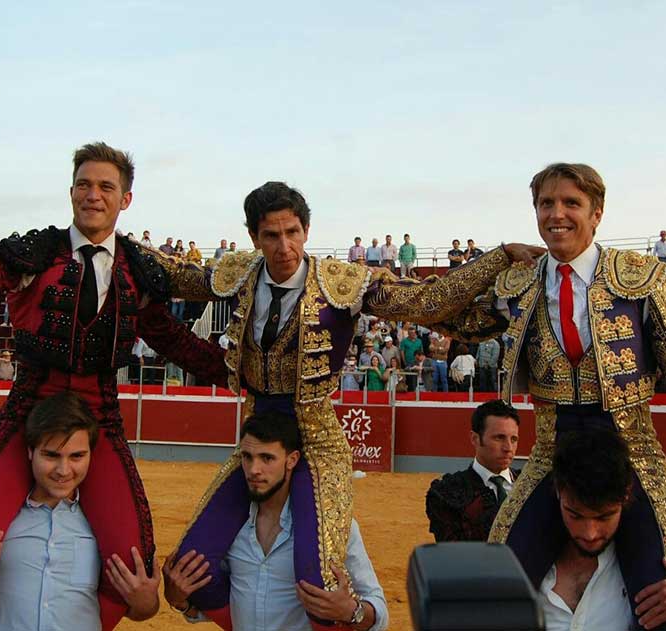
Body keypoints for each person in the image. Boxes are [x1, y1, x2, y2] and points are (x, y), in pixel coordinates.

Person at [149, 181, 531, 627]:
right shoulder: (239, 274)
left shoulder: (343, 284)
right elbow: (175, 274)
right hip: (259, 437)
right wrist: (113, 241)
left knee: (319, 580)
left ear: (306, 230)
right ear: (254, 237)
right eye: (271, 236)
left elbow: (428, 301)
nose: (284, 246)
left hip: (317, 441)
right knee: (191, 567)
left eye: (292, 232)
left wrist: (499, 256)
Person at [0, 140, 226, 630]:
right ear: (71, 191)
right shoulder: (37, 254)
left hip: (101, 421)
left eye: (105, 186)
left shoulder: (138, 272)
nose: (93, 195)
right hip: (27, 414)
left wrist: (254, 370)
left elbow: (181, 346)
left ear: (125, 199)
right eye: (84, 184)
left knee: (131, 560)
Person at [437, 163, 666, 630]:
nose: (557, 214)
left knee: (663, 604)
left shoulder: (642, 277)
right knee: (497, 591)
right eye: (546, 204)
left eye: (571, 203)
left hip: (633, 456)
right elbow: (442, 312)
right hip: (552, 457)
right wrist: (497, 258)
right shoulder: (520, 284)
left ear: (597, 213)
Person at [0, 391, 161, 629]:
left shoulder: (105, 526)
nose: (63, 470)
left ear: (92, 454)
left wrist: (146, 604)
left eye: (76, 456)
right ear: (31, 452)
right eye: (51, 455)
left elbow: (141, 610)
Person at [163, 411, 388, 630]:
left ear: (292, 460)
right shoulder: (230, 528)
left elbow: (378, 609)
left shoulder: (332, 525)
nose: (254, 470)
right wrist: (182, 602)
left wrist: (351, 611)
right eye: (247, 457)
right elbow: (234, 606)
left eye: (267, 458)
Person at [541, 429, 666, 631]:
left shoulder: (653, 565)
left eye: (604, 517)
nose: (590, 533)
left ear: (626, 496)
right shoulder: (530, 561)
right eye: (576, 516)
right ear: (558, 492)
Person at [426, 400, 521, 542]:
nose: (508, 448)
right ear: (475, 439)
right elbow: (457, 554)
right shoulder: (447, 492)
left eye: (513, 439)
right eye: (499, 438)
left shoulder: (530, 486)